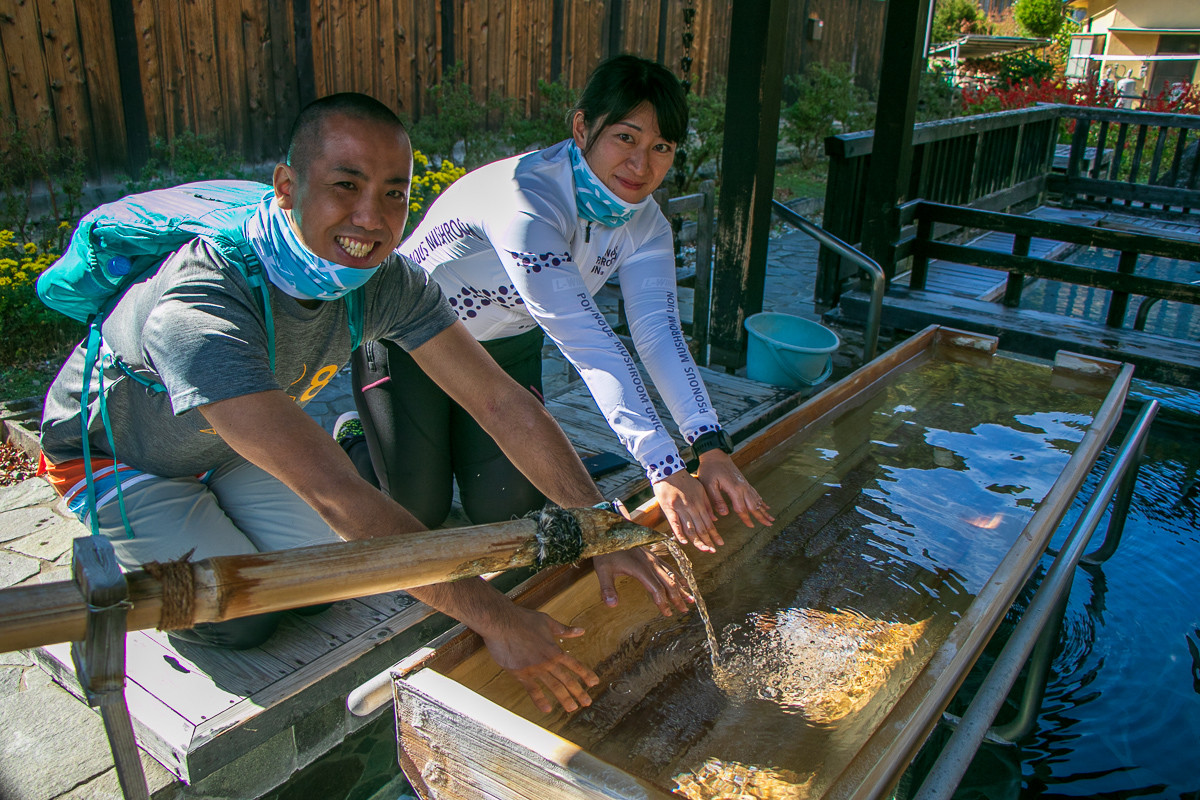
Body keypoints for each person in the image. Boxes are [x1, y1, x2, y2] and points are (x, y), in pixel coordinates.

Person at [38, 93, 689, 714]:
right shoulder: (200, 303)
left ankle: (213, 521)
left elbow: (500, 402)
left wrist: (605, 527)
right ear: (287, 186)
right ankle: (148, 556)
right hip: (117, 460)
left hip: (226, 451)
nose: (372, 219)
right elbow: (334, 491)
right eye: (346, 186)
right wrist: (496, 619)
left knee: (336, 573)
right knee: (246, 614)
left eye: (394, 193)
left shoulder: (384, 282)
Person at [347, 55, 774, 552]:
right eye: (625, 138)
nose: (641, 165)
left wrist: (709, 447)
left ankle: (444, 443)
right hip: (409, 343)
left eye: (661, 147)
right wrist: (663, 465)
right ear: (582, 127)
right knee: (418, 509)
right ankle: (356, 432)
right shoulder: (525, 203)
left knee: (506, 508)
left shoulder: (647, 223)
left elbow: (658, 334)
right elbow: (592, 346)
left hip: (505, 347)